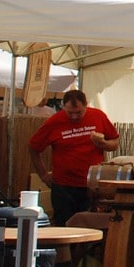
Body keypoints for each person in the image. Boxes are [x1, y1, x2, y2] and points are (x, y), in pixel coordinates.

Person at [30, 89, 119, 224]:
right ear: (63, 107)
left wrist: (103, 143)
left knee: (88, 224)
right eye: (70, 113)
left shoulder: (98, 116)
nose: (74, 117)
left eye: (78, 113)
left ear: (86, 105)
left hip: (91, 186)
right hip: (63, 186)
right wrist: (43, 174)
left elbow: (115, 143)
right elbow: (33, 147)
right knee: (63, 224)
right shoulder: (54, 122)